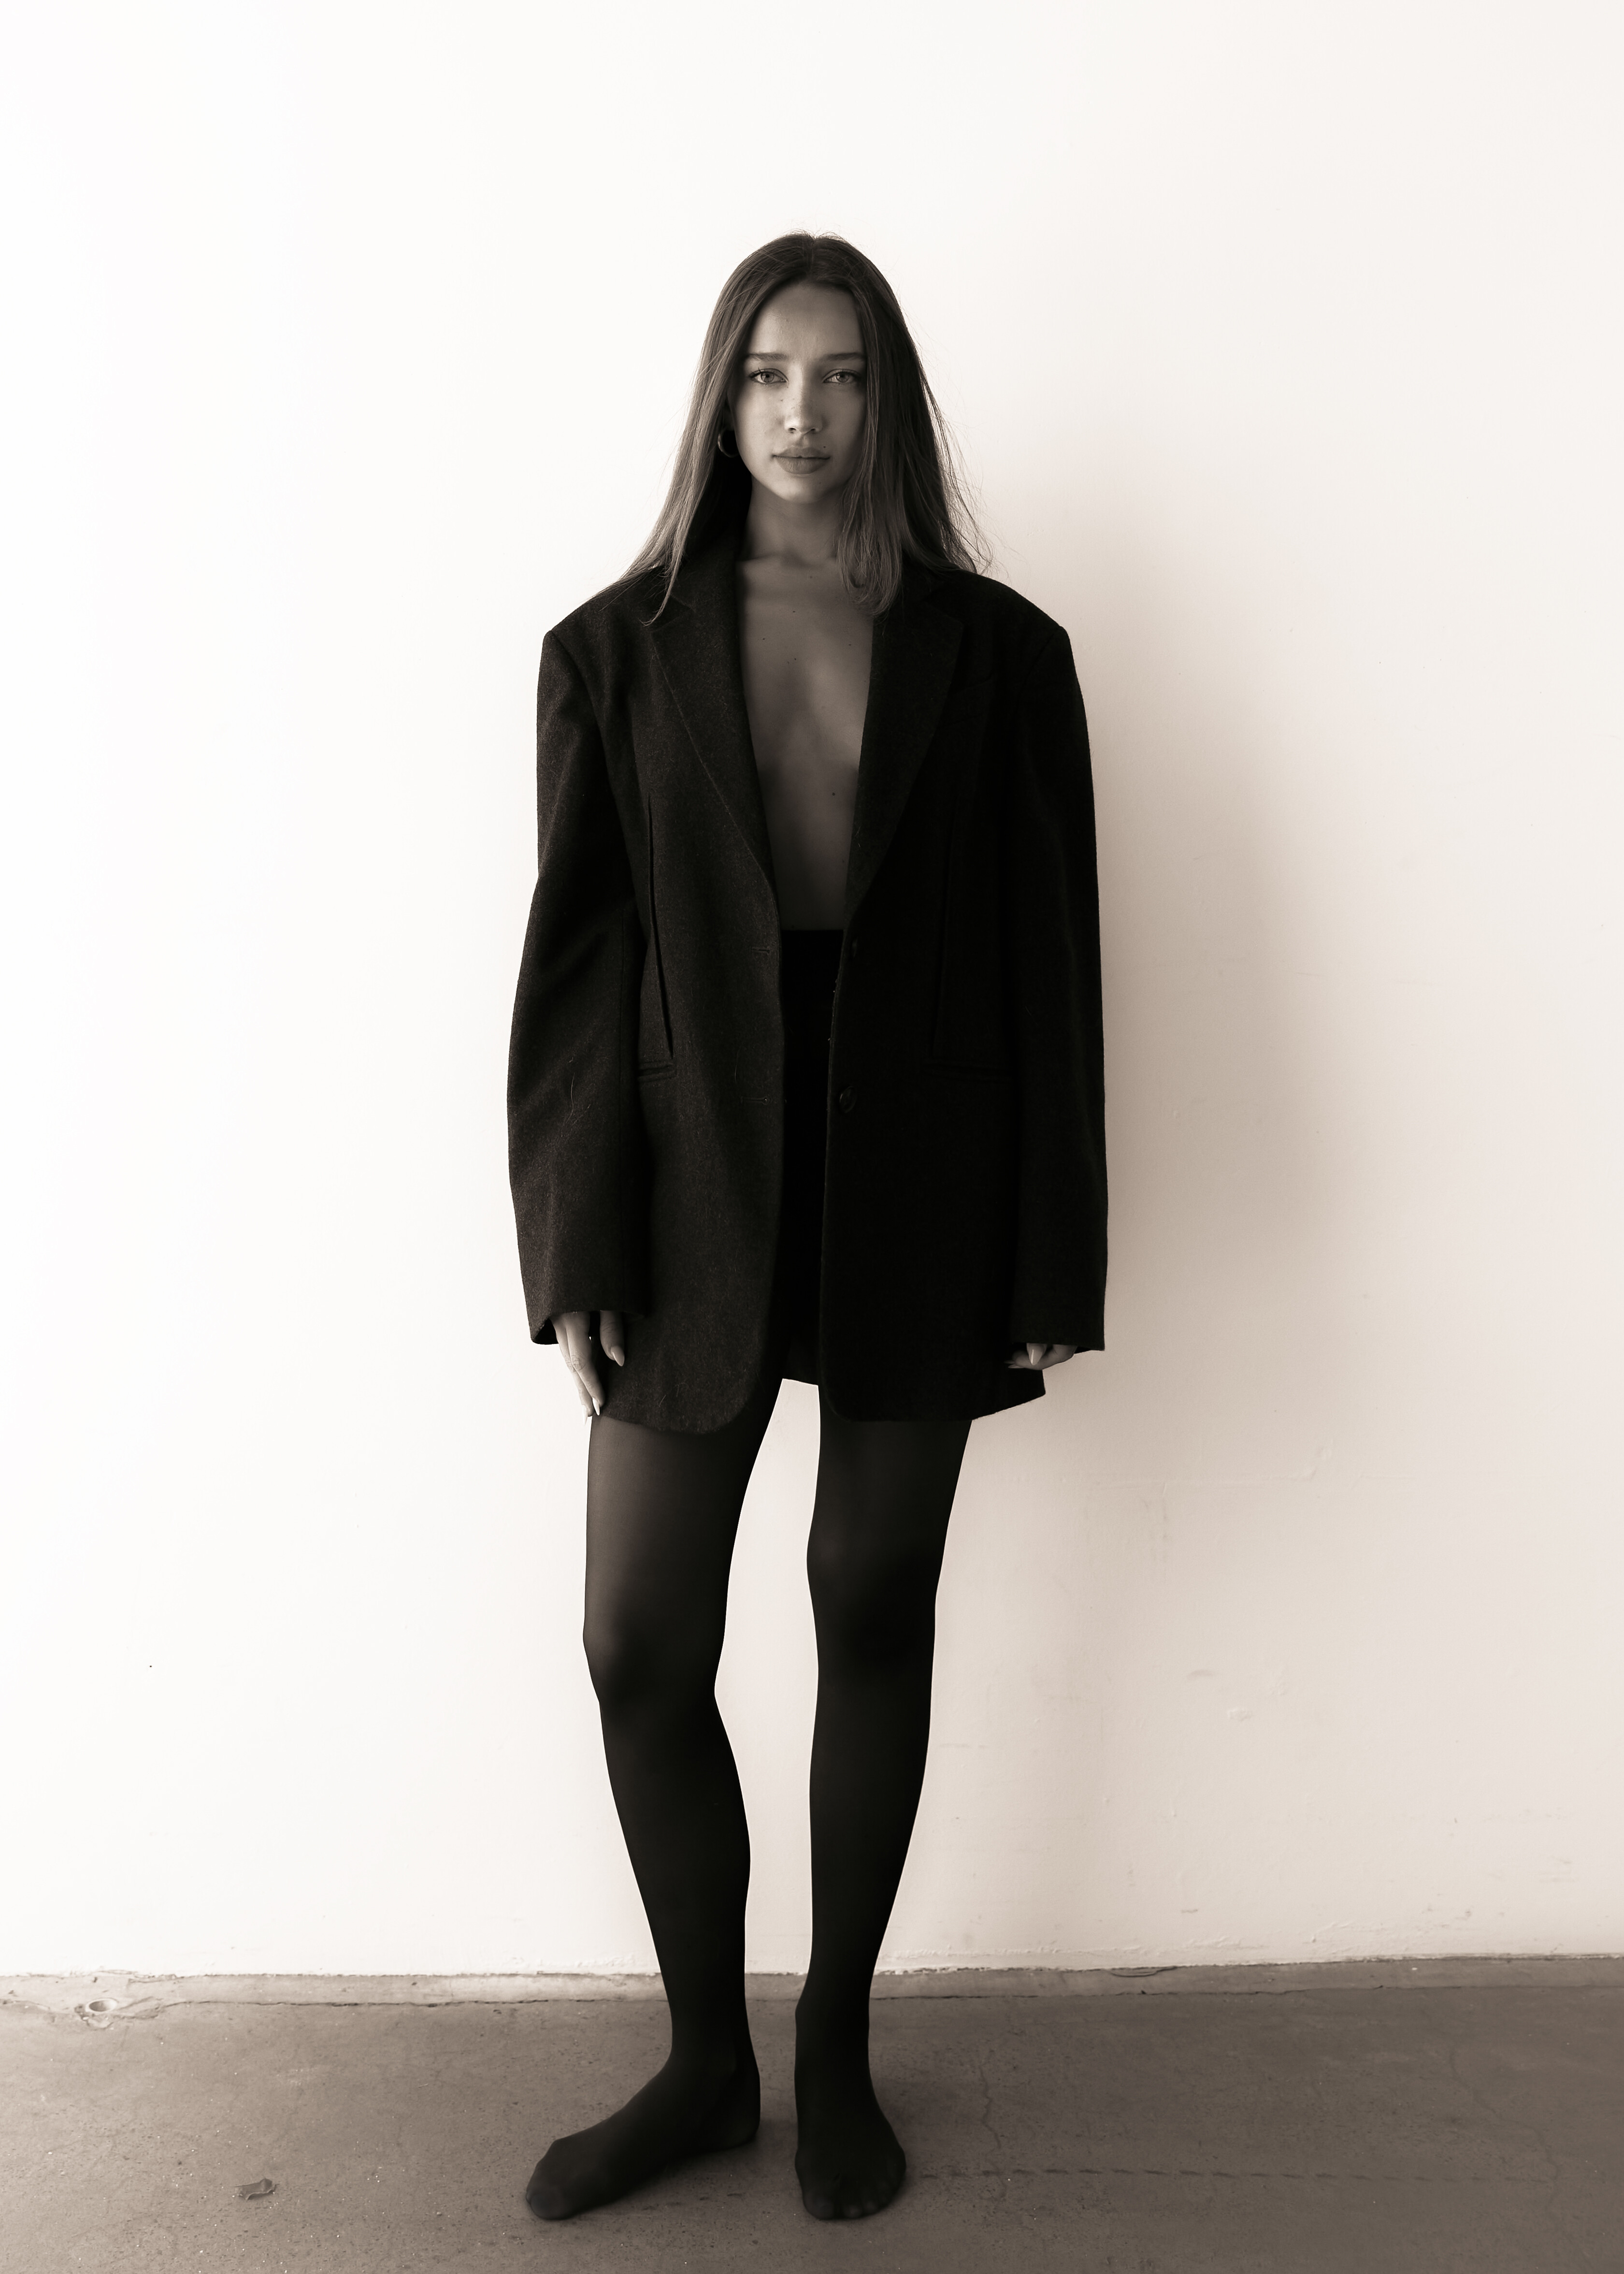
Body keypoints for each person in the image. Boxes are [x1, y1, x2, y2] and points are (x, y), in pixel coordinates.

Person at [507, 232, 1105, 2224]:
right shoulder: (613, 648)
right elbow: (577, 972)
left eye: (841, 375)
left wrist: (1052, 1254)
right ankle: (704, 2058)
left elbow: (1050, 964)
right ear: (720, 392)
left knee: (869, 1594)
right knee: (634, 1633)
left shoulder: (1000, 655)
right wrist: (571, 1247)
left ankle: (834, 2039)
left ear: (886, 401)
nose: (802, 411)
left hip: (923, 1168)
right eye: (769, 372)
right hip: (690, 1182)